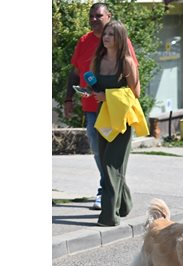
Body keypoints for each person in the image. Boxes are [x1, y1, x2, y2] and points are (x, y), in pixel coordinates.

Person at [64, 3, 138, 210]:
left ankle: (106, 193)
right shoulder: (84, 41)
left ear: (109, 16)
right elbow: (75, 72)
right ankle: (114, 194)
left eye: (99, 15)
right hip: (92, 108)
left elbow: (133, 82)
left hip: (116, 111)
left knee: (112, 157)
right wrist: (68, 98)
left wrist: (111, 97)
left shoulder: (122, 42)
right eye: (91, 16)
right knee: (99, 153)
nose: (94, 19)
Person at [90, 20, 142, 227]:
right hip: (104, 118)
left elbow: (135, 93)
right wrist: (92, 94)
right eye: (105, 33)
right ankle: (125, 204)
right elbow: (98, 89)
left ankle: (109, 217)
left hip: (122, 120)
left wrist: (107, 96)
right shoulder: (98, 60)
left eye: (111, 34)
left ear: (120, 38)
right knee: (108, 166)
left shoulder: (127, 62)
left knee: (112, 166)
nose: (106, 37)